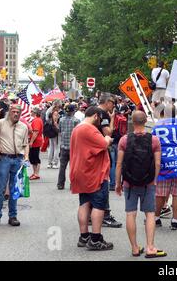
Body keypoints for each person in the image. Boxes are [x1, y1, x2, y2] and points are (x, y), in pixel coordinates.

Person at [115, 111, 166, 258]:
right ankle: (150, 247)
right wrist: (155, 179)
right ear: (145, 121)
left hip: (129, 183)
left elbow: (119, 164)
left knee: (130, 213)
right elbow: (157, 163)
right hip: (148, 182)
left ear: (132, 122)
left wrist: (118, 183)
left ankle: (135, 248)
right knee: (150, 214)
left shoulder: (124, 140)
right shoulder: (154, 140)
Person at [70, 106, 114, 250]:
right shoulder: (89, 129)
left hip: (80, 171)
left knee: (84, 203)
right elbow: (103, 144)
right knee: (98, 205)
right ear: (96, 116)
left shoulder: (78, 128)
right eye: (100, 119)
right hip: (93, 172)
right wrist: (107, 137)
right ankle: (95, 239)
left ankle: (84, 236)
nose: (100, 123)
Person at [0, 104, 29, 227]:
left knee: (14, 189)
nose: (16, 114)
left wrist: (26, 157)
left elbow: (26, 144)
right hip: (4, 159)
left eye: (18, 112)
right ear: (9, 112)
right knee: (0, 189)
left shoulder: (24, 127)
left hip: (18, 160)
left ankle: (13, 216)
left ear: (20, 114)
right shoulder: (0, 123)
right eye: (13, 111)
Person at [152, 104, 177, 230]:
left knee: (160, 193)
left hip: (163, 162)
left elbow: (153, 144)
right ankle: (175, 220)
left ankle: (156, 218)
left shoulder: (158, 126)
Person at [97, 93, 122, 228]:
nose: (114, 105)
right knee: (103, 183)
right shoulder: (104, 114)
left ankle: (93, 213)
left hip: (93, 151)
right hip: (103, 149)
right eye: (113, 102)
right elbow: (108, 132)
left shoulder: (92, 111)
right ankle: (105, 215)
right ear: (107, 102)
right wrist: (112, 119)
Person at [57, 103, 80, 190]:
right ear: (73, 111)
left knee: (62, 167)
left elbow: (59, 131)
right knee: (73, 167)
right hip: (73, 147)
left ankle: (60, 184)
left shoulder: (61, 120)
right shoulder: (76, 121)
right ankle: (72, 184)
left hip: (63, 146)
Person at [28, 107, 44, 180]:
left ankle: (36, 173)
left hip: (36, 141)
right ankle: (35, 173)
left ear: (35, 112)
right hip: (36, 140)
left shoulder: (37, 120)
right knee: (32, 157)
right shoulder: (36, 120)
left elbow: (36, 132)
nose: (30, 112)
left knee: (35, 157)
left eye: (32, 111)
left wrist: (31, 141)